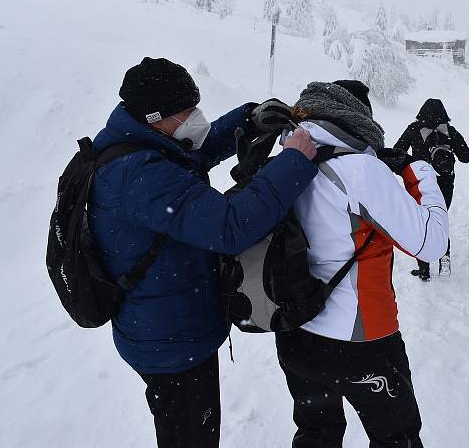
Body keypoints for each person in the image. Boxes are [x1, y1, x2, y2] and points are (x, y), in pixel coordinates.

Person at [88, 57, 319, 447]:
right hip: (171, 345)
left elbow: (194, 151)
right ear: (156, 116)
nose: (196, 117)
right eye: (186, 112)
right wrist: (295, 161)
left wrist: (248, 119)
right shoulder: (140, 175)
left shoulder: (142, 144)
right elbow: (230, 226)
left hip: (164, 327)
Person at [275, 80, 449, 448]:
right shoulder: (360, 171)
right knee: (395, 438)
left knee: (316, 436)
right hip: (361, 343)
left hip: (295, 331)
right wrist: (419, 172)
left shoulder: (287, 161)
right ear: (357, 118)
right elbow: (431, 244)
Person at [394, 98, 469, 280]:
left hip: (422, 182)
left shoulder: (413, 129)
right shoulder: (449, 131)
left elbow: (398, 151)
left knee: (423, 223)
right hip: (445, 182)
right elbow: (466, 157)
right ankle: (445, 257)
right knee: (440, 220)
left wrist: (410, 166)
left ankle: (424, 268)